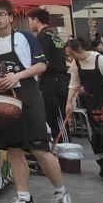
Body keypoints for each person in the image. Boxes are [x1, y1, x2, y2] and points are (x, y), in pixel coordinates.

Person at [0, 0, 73, 203]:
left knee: (39, 147)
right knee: (13, 149)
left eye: (1, 14)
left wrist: (17, 76)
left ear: (11, 17)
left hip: (28, 95)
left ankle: (61, 193)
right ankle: (24, 199)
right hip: (3, 98)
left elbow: (41, 65)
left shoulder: (25, 37)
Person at [64, 37, 103, 181]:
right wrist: (69, 103)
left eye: (71, 53)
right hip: (92, 103)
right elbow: (74, 84)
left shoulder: (100, 60)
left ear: (79, 49)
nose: (70, 57)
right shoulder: (76, 63)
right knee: (98, 136)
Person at [26, 8, 69, 140]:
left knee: (57, 118)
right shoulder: (53, 35)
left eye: (30, 20)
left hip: (52, 81)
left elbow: (43, 62)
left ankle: (64, 148)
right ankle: (60, 146)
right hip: (60, 80)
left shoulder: (42, 37)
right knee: (55, 117)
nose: (29, 24)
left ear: (35, 20)